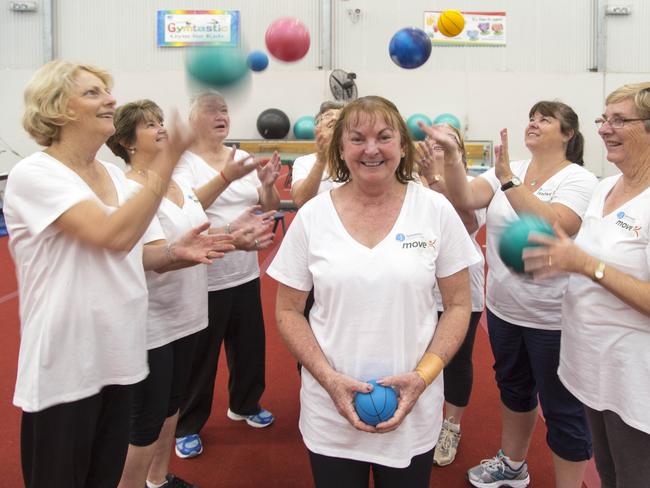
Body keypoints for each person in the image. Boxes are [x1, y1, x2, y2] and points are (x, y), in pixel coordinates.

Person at [2, 60, 219, 488]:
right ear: (57, 109)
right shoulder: (36, 174)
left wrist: (177, 251)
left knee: (104, 478)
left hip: (120, 355)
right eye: (93, 93)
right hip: (66, 364)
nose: (111, 100)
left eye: (107, 91)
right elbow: (112, 235)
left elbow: (138, 253)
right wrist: (167, 161)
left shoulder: (117, 178)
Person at [268, 95, 481, 488]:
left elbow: (457, 305)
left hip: (413, 406)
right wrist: (329, 380)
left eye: (384, 137)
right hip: (329, 409)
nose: (371, 149)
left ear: (402, 146)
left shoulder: (434, 210)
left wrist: (423, 376)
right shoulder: (314, 216)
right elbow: (288, 311)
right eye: (357, 138)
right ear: (341, 148)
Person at [422, 101, 598, 488]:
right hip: (504, 310)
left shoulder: (579, 180)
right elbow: (465, 198)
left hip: (555, 317)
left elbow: (555, 224)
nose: (533, 123)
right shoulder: (511, 168)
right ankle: (513, 466)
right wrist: (452, 158)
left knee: (563, 409)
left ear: (568, 134)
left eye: (545, 119)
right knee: (514, 391)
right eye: (531, 118)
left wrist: (507, 181)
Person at [106, 99, 274, 488]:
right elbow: (154, 255)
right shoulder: (129, 190)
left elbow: (198, 235)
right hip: (153, 322)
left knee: (170, 409)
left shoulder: (177, 184)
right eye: (150, 125)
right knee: (145, 421)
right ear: (127, 142)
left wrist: (235, 234)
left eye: (161, 121)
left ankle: (158, 478)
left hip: (188, 313)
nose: (161, 128)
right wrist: (228, 242)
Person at [523, 83, 650, 488]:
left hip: (635, 380)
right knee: (610, 474)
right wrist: (564, 261)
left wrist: (585, 264)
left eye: (619, 120)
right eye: (603, 119)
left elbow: (597, 266)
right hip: (595, 368)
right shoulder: (604, 188)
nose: (604, 129)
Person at [173, 90, 281, 458]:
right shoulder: (183, 163)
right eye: (211, 110)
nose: (222, 115)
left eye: (225, 110)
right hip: (203, 274)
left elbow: (270, 206)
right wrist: (225, 175)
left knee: (249, 345)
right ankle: (187, 424)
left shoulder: (243, 156)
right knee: (201, 357)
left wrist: (266, 185)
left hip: (244, 271)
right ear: (192, 120)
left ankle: (245, 404)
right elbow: (187, 208)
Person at [416, 125, 486, 467]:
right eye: (432, 141)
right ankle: (420, 418)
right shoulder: (411, 183)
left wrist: (433, 180)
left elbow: (467, 224)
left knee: (456, 360)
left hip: (460, 289)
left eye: (446, 142)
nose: (437, 146)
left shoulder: (470, 185)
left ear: (459, 149)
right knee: (417, 354)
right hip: (419, 288)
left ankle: (451, 425)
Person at [291, 100, 345, 208]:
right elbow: (300, 201)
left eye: (340, 116)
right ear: (317, 127)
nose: (334, 118)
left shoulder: (356, 159)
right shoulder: (303, 162)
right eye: (328, 115)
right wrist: (321, 159)